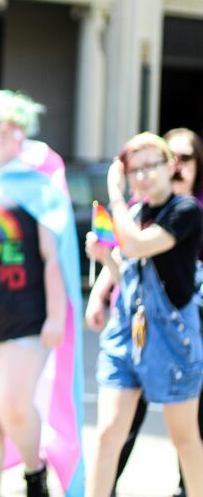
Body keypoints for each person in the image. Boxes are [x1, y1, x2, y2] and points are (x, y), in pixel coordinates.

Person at [0, 90, 85, 497]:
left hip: (26, 310)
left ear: (24, 133)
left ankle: (35, 473)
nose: (3, 130)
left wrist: (56, 315)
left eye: (13, 123)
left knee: (11, 402)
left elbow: (54, 256)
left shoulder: (39, 186)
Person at [84, 133, 203, 497]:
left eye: (152, 165)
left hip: (172, 340)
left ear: (171, 167)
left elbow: (136, 244)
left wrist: (115, 194)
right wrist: (105, 261)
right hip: (126, 335)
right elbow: (131, 273)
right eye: (135, 169)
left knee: (184, 441)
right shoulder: (133, 214)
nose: (144, 176)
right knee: (108, 434)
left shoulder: (185, 211)